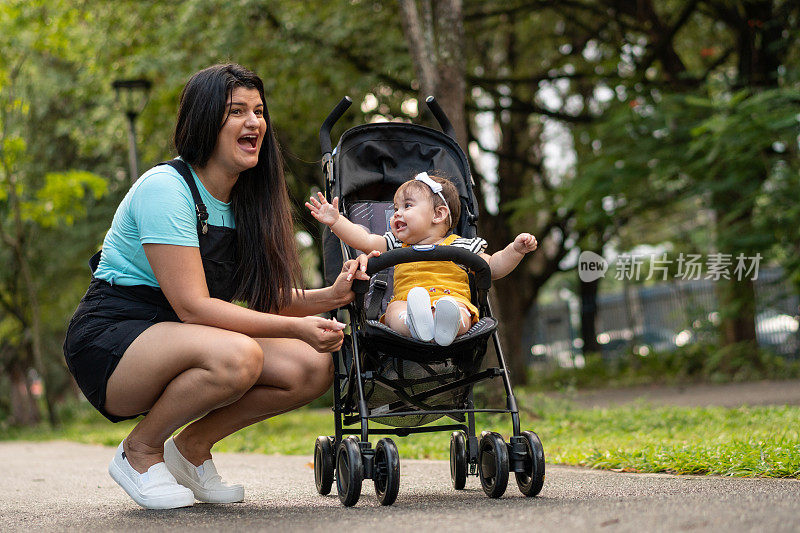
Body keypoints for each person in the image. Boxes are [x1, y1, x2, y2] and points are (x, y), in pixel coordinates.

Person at [63, 63, 373, 510]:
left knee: (313, 366)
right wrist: (297, 327)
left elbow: (257, 298)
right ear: (206, 121)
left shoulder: (245, 201)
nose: (254, 123)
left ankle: (188, 451)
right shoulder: (166, 189)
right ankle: (141, 451)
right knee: (238, 355)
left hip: (189, 337)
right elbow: (193, 307)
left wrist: (329, 298)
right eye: (236, 111)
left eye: (259, 111)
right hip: (115, 342)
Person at [306, 170, 537, 346]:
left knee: (461, 312)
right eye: (396, 208)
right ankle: (413, 324)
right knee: (394, 311)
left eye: (407, 206)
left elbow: (493, 267)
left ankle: (448, 324)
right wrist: (337, 221)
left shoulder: (461, 245)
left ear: (439, 214)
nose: (397, 213)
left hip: (451, 299)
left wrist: (515, 251)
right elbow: (364, 240)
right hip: (408, 302)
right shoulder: (395, 243)